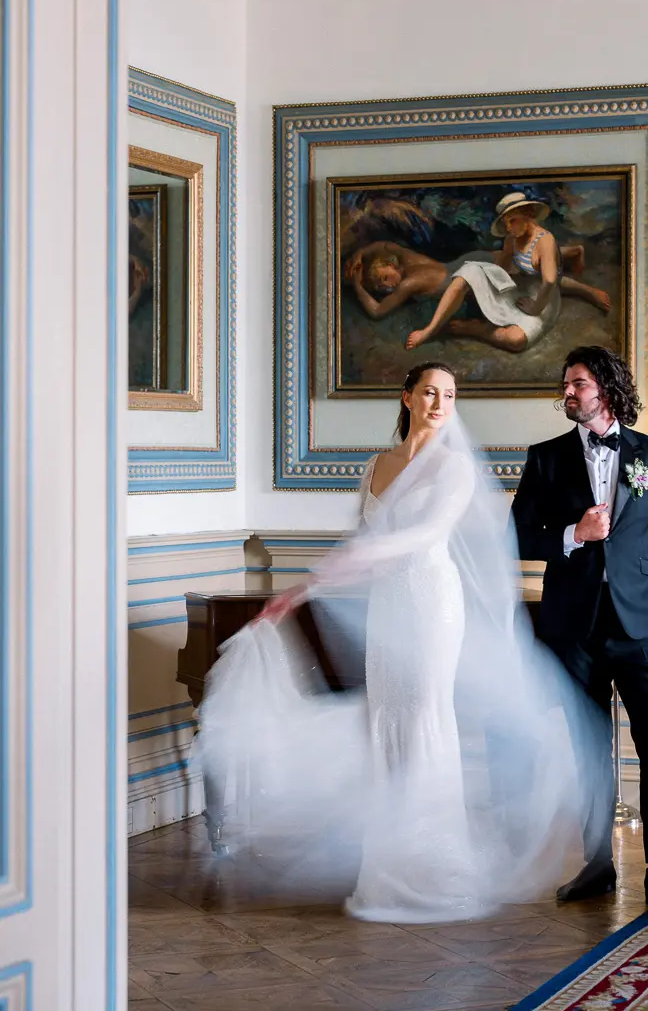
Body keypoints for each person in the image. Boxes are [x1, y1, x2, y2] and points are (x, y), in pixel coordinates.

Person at [195, 362, 599, 923]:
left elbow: (421, 536)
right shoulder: (377, 465)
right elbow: (364, 540)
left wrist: (319, 576)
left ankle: (435, 869)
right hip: (388, 608)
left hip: (432, 604)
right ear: (407, 397)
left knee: (424, 718)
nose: (440, 402)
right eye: (430, 392)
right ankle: (386, 869)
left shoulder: (454, 468)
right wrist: (302, 593)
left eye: (450, 395)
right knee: (388, 720)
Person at [511, 344, 648, 910]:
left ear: (607, 391)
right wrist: (574, 533)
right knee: (587, 751)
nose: (567, 394)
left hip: (642, 623)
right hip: (574, 628)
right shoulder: (544, 458)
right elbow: (516, 538)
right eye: (566, 385)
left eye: (578, 385)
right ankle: (596, 865)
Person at [406, 192, 610, 352]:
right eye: (506, 222)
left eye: (512, 221)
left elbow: (549, 281)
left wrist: (536, 308)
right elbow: (502, 268)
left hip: (542, 298)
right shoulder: (512, 237)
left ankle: (478, 330)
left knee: (516, 339)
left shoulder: (545, 241)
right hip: (519, 285)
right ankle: (429, 330)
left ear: (528, 215)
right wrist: (486, 278)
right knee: (467, 271)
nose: (509, 227)